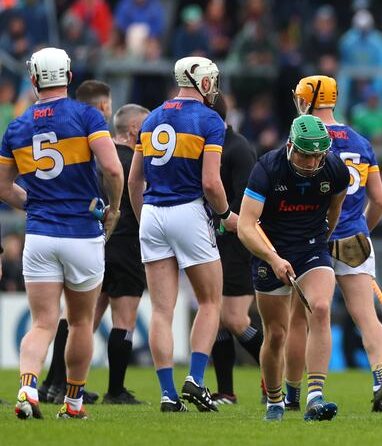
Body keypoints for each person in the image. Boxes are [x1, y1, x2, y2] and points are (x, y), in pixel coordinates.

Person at [0, 48, 124, 419]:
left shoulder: (17, 126)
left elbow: (4, 187)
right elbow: (113, 170)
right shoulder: (87, 115)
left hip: (39, 235)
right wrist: (114, 209)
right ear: (69, 77)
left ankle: (27, 387)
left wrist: (34, 205)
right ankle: (73, 403)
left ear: (34, 80)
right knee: (82, 322)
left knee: (41, 322)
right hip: (82, 232)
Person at [128, 56, 238, 413]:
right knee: (210, 302)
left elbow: (134, 180)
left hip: (153, 214)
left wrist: (143, 217)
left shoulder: (150, 117)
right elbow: (210, 182)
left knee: (162, 310)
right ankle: (195, 378)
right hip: (188, 212)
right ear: (202, 82)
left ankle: (167, 394)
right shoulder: (209, 119)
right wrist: (225, 214)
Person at [283, 75, 382, 413]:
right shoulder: (360, 140)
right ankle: (381, 381)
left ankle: (296, 393)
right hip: (355, 237)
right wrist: (363, 230)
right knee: (366, 316)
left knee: (304, 318)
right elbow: (380, 201)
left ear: (305, 101)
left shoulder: (304, 137)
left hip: (313, 240)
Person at [237, 114, 348, 422]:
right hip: (269, 251)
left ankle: (315, 397)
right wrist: (273, 258)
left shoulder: (335, 170)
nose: (312, 163)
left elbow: (334, 210)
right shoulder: (267, 169)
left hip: (311, 248)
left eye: (317, 156)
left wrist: (321, 243)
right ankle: (275, 401)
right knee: (275, 334)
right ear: (290, 146)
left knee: (321, 308)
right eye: (305, 155)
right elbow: (246, 226)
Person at [38, 79, 114, 406]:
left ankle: (49, 384)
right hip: (78, 233)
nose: (108, 112)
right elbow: (106, 175)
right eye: (107, 106)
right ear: (99, 107)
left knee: (62, 317)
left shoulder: (56, 129)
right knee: (76, 318)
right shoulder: (89, 136)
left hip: (46, 231)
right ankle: (65, 389)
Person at [207, 93, 263, 406]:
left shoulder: (238, 148)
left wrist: (224, 222)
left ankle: (276, 375)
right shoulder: (209, 147)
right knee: (213, 318)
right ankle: (226, 391)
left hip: (236, 244)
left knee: (235, 319)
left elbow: (246, 200)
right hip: (209, 242)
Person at [94, 103, 150, 404]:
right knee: (124, 319)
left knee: (83, 318)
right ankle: (115, 390)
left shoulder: (99, 158)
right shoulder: (135, 163)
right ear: (133, 130)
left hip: (95, 243)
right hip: (127, 242)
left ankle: (57, 382)